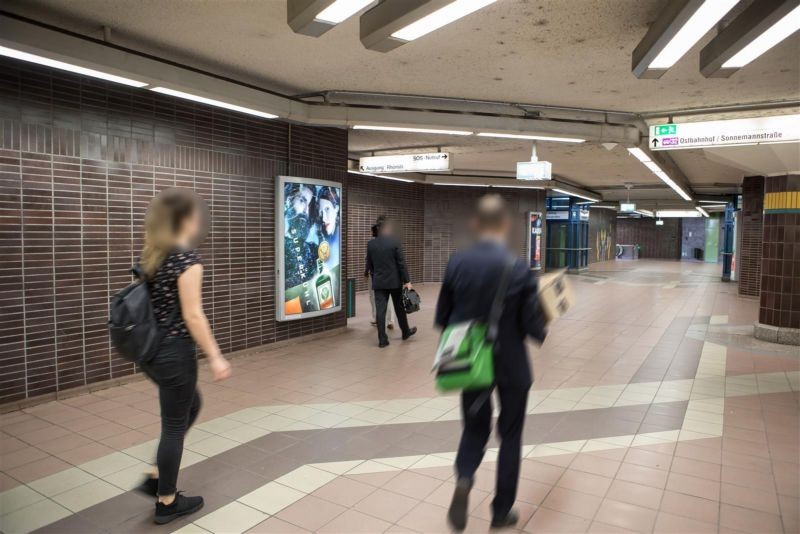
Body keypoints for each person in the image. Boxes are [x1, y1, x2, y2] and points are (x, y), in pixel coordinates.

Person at [434, 195, 547, 531]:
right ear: (505, 226)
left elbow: (443, 319)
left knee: (474, 426)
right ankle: (501, 512)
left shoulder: (457, 263)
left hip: (470, 359)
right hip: (512, 364)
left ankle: (466, 476)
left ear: (476, 225)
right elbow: (534, 327)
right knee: (510, 435)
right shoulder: (519, 269)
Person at [136, 188, 232, 525]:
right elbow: (193, 315)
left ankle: (154, 475)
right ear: (183, 220)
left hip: (149, 352)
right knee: (174, 426)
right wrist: (216, 356)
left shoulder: (154, 254)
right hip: (174, 354)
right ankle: (166, 500)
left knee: (191, 405)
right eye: (194, 216)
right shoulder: (186, 259)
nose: (198, 222)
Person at [365, 217, 416, 347]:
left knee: (380, 311)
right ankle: (405, 332)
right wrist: (407, 281)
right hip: (394, 282)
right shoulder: (395, 242)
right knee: (399, 309)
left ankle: (382, 340)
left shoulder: (371, 244)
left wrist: (373, 275)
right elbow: (401, 263)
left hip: (379, 282)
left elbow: (369, 264)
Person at [367, 218, 394, 330]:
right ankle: (390, 321)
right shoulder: (391, 243)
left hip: (375, 275)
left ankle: (377, 318)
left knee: (374, 297)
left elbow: (368, 260)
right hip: (387, 275)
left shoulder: (372, 244)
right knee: (388, 298)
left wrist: (366, 271)